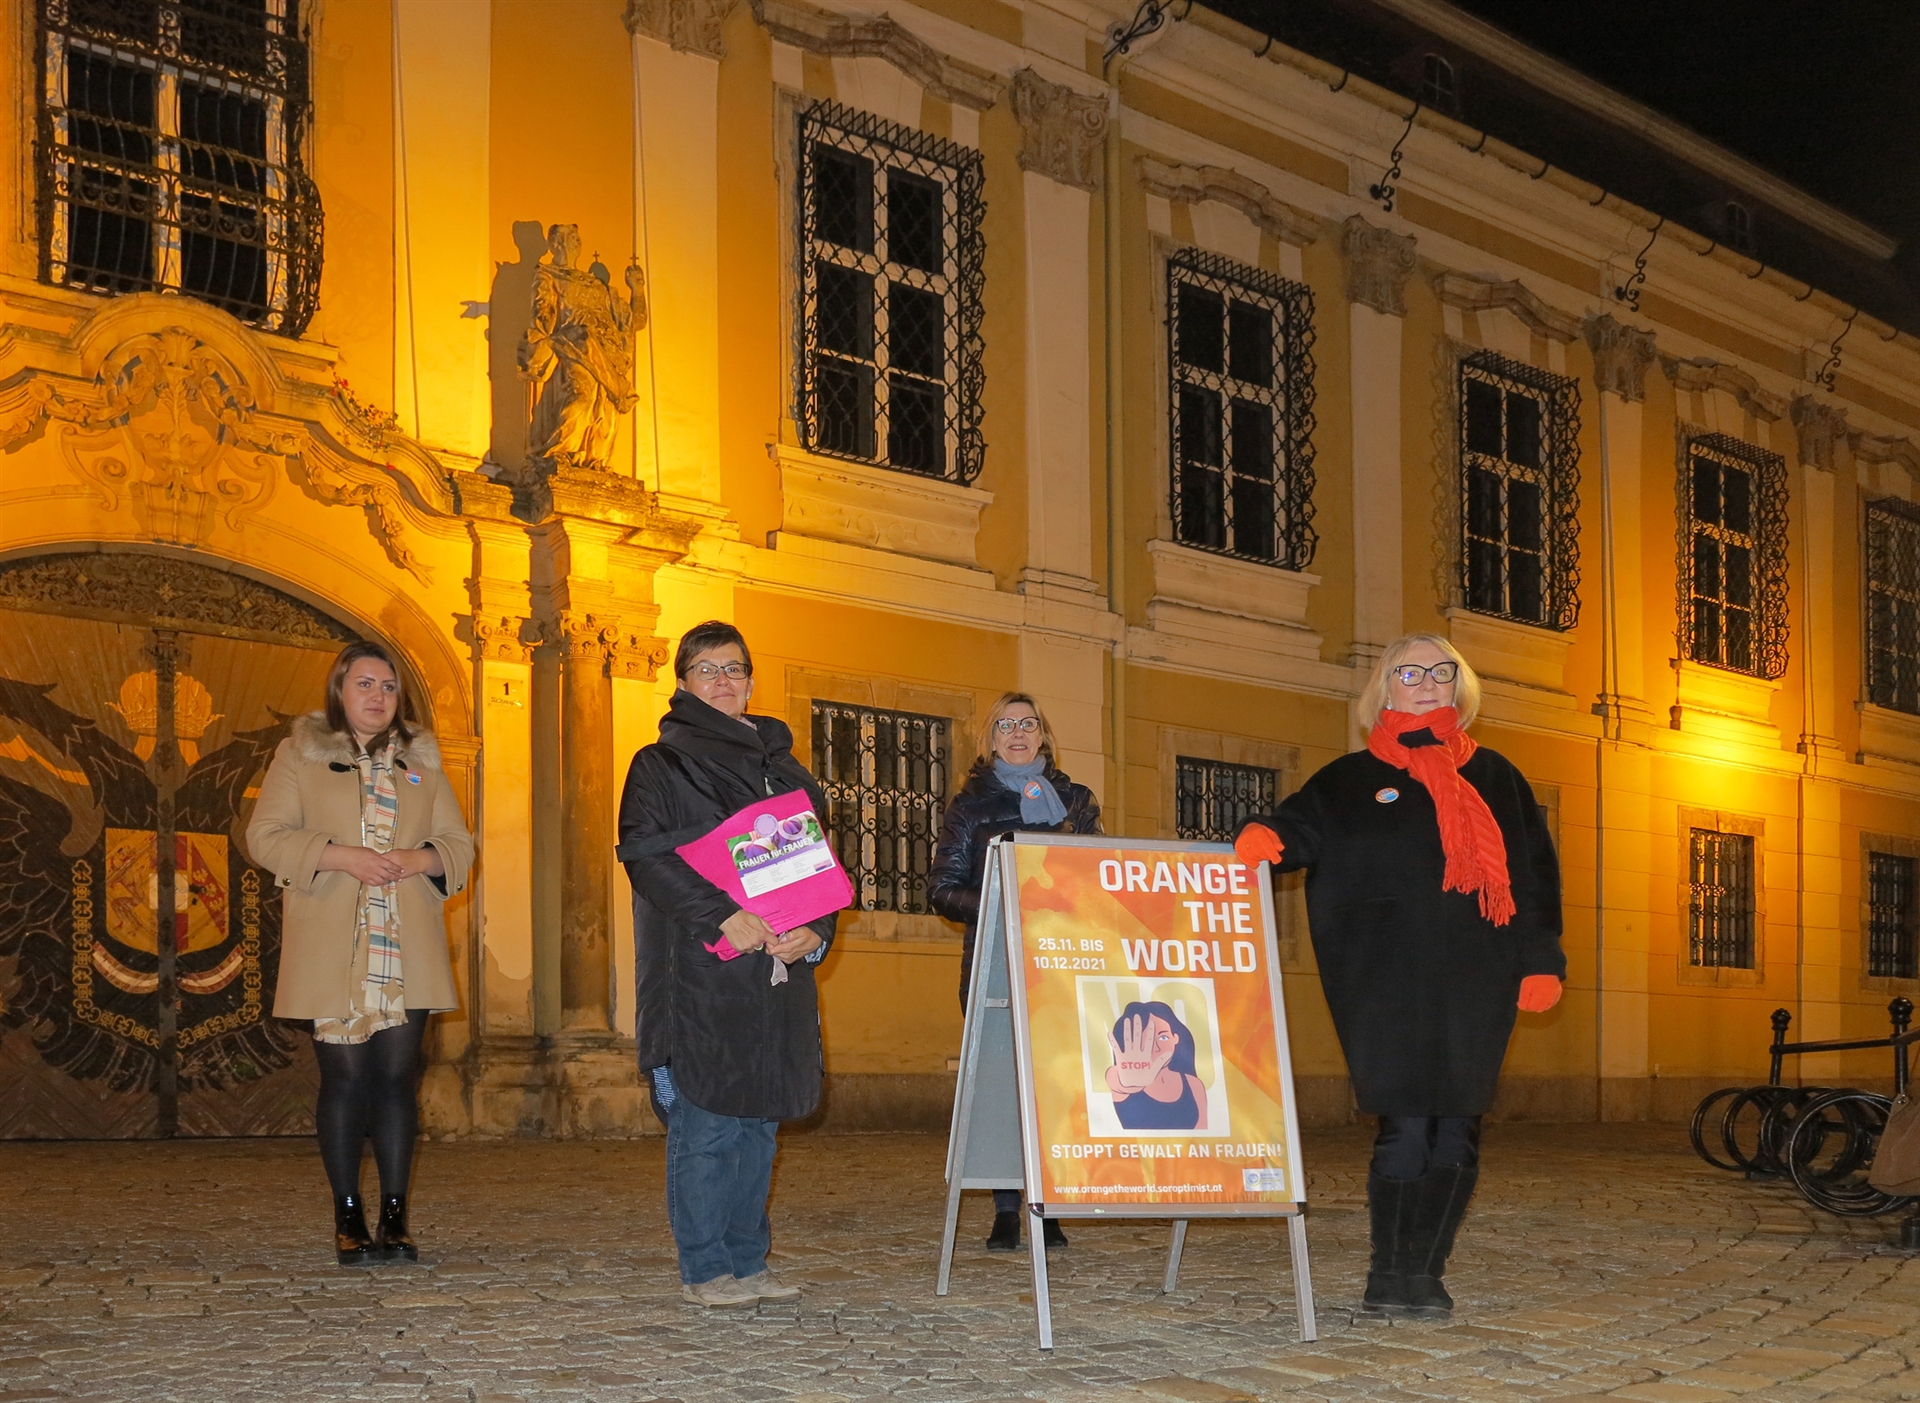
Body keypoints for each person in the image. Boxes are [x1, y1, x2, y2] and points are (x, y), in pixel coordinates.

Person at [1232, 633, 1563, 1320]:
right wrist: (1269, 838)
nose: (1427, 682)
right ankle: (1388, 1271)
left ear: (1459, 687)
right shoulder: (1350, 779)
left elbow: (1533, 874)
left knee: (1457, 1130)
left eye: (1442, 671)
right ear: (1384, 688)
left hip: (1480, 975)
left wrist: (1540, 960)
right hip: (1386, 980)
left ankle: (1427, 1270)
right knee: (1406, 1125)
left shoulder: (1497, 776)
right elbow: (1302, 826)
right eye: (1410, 671)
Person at [616, 621, 842, 1308]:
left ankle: (750, 1262)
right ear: (682, 681)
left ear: (750, 680)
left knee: (758, 1128)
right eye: (707, 669)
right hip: (701, 974)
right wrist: (721, 914)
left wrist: (817, 929)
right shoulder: (660, 765)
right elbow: (645, 854)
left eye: (734, 668)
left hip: (775, 976)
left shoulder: (784, 768)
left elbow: (817, 867)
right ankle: (706, 1269)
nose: (723, 680)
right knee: (708, 1125)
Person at [247, 641, 473, 1267]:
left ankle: (395, 1216)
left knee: (399, 1080)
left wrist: (417, 859)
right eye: (364, 684)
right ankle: (349, 1216)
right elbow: (264, 835)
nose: (377, 696)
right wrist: (342, 855)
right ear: (340, 691)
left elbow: (458, 843)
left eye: (389, 687)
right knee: (345, 1081)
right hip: (334, 940)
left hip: (407, 941)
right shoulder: (299, 755)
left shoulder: (421, 762)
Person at [927, 691, 1100, 1251]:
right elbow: (942, 890)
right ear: (991, 739)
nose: (1018, 733)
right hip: (994, 961)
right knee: (1000, 1087)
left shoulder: (1076, 801)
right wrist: (1004, 902)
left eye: (1028, 723)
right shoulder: (970, 805)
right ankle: (1006, 1208)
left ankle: (1048, 1206)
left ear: (1044, 734)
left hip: (1064, 962)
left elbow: (1100, 876)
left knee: (1056, 1084)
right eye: (1006, 725)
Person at [1105, 1001, 1207, 1131]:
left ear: (1175, 1038)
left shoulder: (1193, 1084)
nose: (1156, 1048)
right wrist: (1129, 1081)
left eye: (1163, 1037)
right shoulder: (1121, 1078)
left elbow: (1203, 1136)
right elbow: (1115, 1079)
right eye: (1145, 1040)